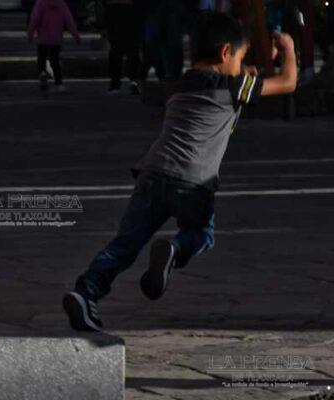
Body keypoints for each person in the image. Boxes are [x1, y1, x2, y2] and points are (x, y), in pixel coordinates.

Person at [63, 12, 297, 331]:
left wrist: (247, 68)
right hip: (194, 181)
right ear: (225, 52)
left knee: (125, 245)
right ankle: (174, 248)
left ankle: (85, 291)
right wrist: (288, 49)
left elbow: (230, 80)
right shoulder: (235, 87)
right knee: (201, 234)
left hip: (152, 173)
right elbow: (288, 82)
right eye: (240, 57)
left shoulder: (181, 84)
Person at [27, 0, 80, 92]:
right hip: (56, 38)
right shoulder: (61, 4)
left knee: (41, 59)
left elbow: (35, 19)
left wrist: (30, 34)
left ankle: (42, 73)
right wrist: (76, 36)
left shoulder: (41, 3)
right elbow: (69, 21)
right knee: (55, 61)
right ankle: (59, 83)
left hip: (42, 38)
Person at [104, 0, 144, 94]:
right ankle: (132, 80)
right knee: (131, 51)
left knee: (118, 51)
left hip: (116, 11)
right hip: (128, 10)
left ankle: (117, 83)